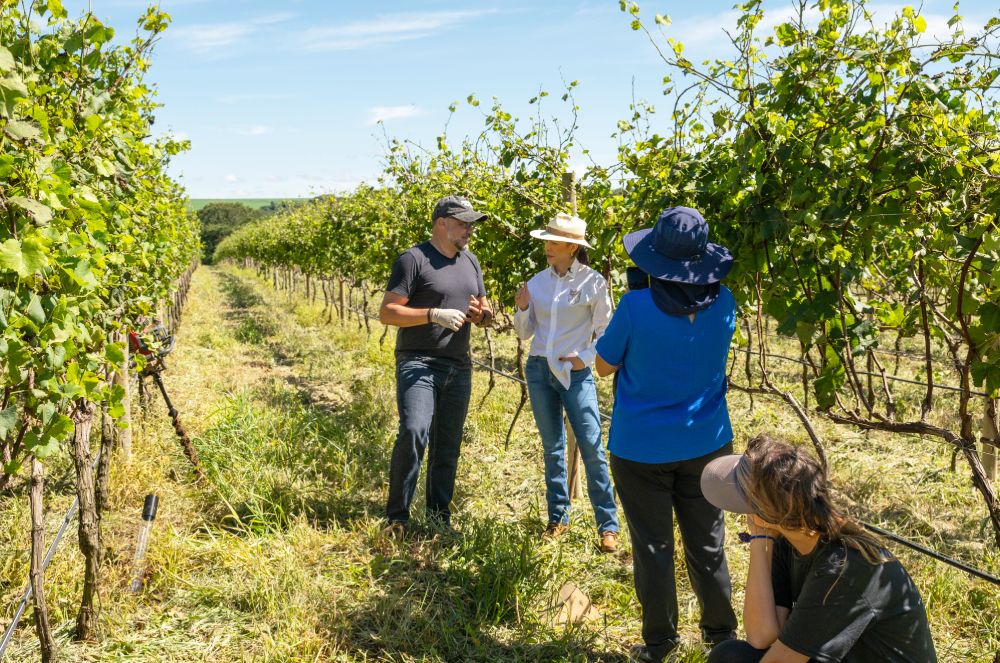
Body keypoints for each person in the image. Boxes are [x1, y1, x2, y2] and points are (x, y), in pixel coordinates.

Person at [594, 206, 739, 662]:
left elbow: (603, 365)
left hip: (642, 449)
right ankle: (721, 636)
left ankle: (659, 644)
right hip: (709, 444)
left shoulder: (635, 307)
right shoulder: (727, 302)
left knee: (652, 547)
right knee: (708, 542)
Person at [700, 434, 937, 663]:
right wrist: (760, 538)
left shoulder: (842, 567)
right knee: (731, 656)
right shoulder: (788, 541)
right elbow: (761, 637)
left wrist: (762, 531)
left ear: (769, 513)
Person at [379, 195, 493, 533]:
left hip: (459, 365)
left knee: (448, 445)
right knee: (414, 431)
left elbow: (486, 312)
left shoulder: (471, 262)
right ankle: (397, 517)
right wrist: (431, 314)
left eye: (471, 224)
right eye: (463, 223)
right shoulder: (413, 260)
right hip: (419, 362)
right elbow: (387, 312)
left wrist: (482, 315)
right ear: (441, 222)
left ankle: (438, 518)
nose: (469, 230)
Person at [513, 212, 621, 553]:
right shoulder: (536, 283)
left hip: (574, 374)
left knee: (591, 447)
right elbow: (525, 332)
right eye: (547, 240)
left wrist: (584, 358)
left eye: (554, 241)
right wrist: (521, 308)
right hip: (539, 369)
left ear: (572, 248)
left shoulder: (593, 283)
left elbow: (607, 331)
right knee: (552, 448)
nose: (547, 246)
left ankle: (608, 525)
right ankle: (557, 518)